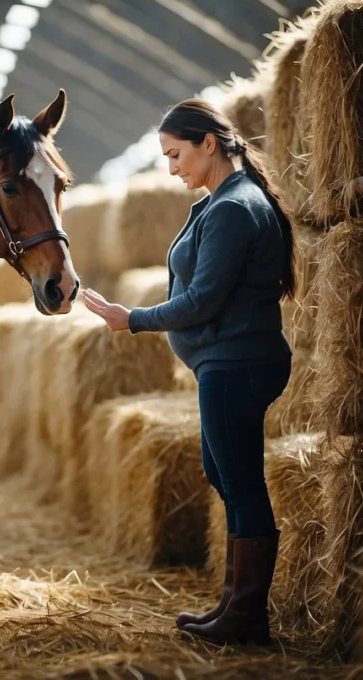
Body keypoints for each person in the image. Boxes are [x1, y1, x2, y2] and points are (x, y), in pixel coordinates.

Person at [82, 98, 296, 646]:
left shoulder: (232, 208)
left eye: (176, 154)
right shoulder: (220, 202)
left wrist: (132, 319)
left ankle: (248, 616)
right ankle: (232, 599)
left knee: (241, 483)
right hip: (226, 366)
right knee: (224, 474)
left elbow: (201, 300)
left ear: (208, 143)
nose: (171, 167)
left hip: (237, 365)